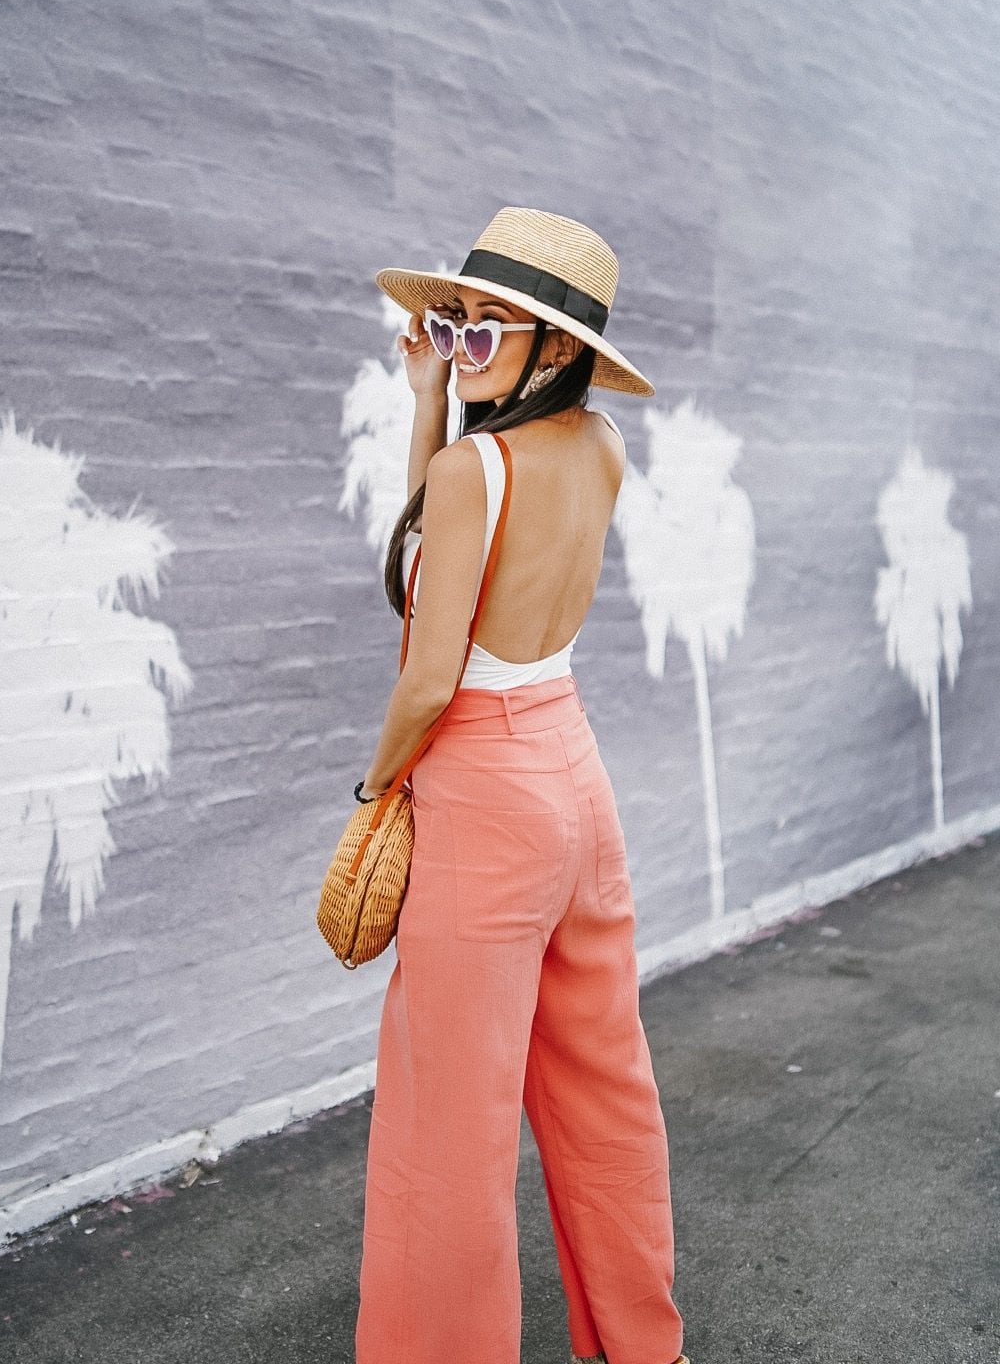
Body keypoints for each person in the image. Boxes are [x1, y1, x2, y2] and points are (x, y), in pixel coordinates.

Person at [352, 207, 688, 1364]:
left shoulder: (469, 467)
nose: (457, 349)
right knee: (604, 1083)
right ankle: (645, 1345)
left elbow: (427, 673)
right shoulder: (600, 449)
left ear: (555, 347)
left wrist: (371, 791)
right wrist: (431, 402)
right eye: (451, 328)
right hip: (573, 768)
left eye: (482, 334)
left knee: (445, 1125)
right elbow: (468, 523)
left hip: (484, 791)